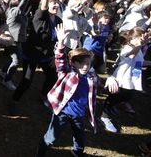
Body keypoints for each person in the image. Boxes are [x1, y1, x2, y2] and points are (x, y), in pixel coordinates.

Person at [36, 24, 118, 156]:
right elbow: (60, 59)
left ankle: (77, 152)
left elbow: (103, 83)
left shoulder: (91, 76)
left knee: (79, 138)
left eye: (88, 63)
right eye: (81, 63)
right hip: (62, 112)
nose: (85, 66)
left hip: (79, 114)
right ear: (73, 63)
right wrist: (61, 42)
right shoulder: (66, 72)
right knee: (51, 137)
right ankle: (41, 152)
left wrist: (110, 79)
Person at [100, 27, 151, 133]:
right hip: (122, 78)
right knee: (115, 96)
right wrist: (140, 44)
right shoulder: (127, 48)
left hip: (132, 79)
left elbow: (140, 62)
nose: (143, 40)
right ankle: (104, 115)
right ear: (134, 38)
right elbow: (132, 55)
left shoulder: (138, 48)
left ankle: (111, 107)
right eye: (141, 38)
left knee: (127, 96)